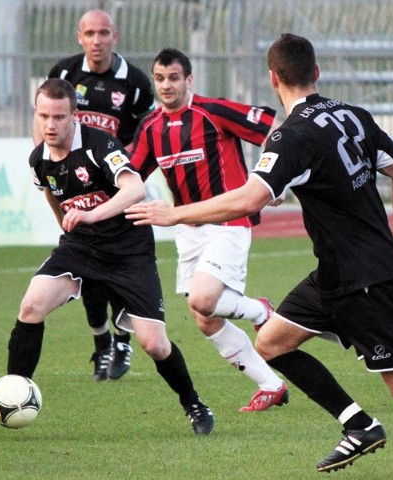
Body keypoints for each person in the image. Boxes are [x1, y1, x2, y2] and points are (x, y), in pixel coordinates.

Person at [125, 34, 393, 476]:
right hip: (337, 271)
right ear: (316, 72)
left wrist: (173, 214)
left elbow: (247, 200)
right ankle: (358, 425)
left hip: (366, 279)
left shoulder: (291, 135)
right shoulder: (351, 114)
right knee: (272, 343)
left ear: (273, 77)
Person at [0, 78, 213, 435]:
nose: (50, 125)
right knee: (31, 305)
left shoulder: (101, 145)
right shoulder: (39, 159)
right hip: (80, 248)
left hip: (129, 252)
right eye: (43, 117)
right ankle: (12, 393)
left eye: (58, 117)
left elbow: (135, 188)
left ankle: (193, 403)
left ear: (75, 116)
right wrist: (68, 228)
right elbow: (52, 196)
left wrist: (91, 214)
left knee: (154, 344)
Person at [124, 48, 289, 412]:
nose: (166, 85)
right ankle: (271, 384)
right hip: (188, 227)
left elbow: (274, 130)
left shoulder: (213, 111)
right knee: (204, 318)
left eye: (174, 78)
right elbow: (130, 174)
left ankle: (260, 311)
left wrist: (270, 179)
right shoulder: (151, 127)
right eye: (160, 78)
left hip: (229, 221)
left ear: (189, 80)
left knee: (202, 299)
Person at [37, 9, 156, 382]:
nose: (97, 40)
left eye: (103, 33)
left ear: (114, 36)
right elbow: (45, 119)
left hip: (119, 186)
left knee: (121, 264)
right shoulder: (64, 73)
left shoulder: (134, 82)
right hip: (74, 187)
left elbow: (147, 131)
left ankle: (122, 340)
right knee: (83, 266)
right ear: (79, 36)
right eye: (90, 33)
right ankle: (101, 341)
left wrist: (126, 170)